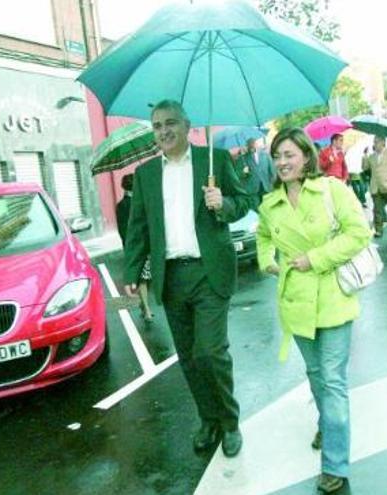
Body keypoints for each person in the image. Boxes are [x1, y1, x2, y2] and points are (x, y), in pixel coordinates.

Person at [123, 100, 253, 457]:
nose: (163, 131)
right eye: (157, 125)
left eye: (170, 123)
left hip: (209, 272)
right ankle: (208, 420)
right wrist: (132, 270)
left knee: (210, 352)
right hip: (171, 276)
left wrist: (222, 202)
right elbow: (139, 227)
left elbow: (244, 202)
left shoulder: (215, 161)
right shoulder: (147, 174)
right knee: (190, 358)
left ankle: (229, 422)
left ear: (187, 125)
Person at [256, 127, 371, 494]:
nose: (282, 162)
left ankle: (335, 464)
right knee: (316, 373)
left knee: (333, 379)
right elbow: (262, 235)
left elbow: (359, 233)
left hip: (333, 295)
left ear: (306, 156)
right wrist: (265, 260)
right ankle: (329, 423)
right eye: (277, 156)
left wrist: (316, 258)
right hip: (295, 302)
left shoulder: (332, 191)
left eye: (289, 154)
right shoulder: (270, 202)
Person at [115, 174, 154, 321]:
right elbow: (124, 229)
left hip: (145, 245)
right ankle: (147, 310)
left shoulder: (140, 202)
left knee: (147, 277)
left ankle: (144, 306)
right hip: (138, 247)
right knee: (143, 278)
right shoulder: (126, 205)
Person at [362, 135, 387, 237]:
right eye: (374, 142)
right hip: (376, 187)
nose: (374, 144)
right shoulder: (371, 157)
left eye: (376, 142)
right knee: (377, 210)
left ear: (383, 142)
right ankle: (378, 230)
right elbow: (365, 168)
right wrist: (365, 155)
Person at [234, 137, 275, 208]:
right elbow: (237, 175)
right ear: (247, 145)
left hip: (266, 188)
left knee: (268, 208)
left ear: (256, 144)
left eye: (253, 143)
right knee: (256, 212)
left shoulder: (265, 156)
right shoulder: (242, 159)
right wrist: (243, 172)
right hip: (252, 191)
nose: (251, 146)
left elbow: (273, 171)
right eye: (249, 144)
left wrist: (274, 185)